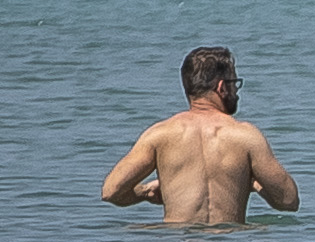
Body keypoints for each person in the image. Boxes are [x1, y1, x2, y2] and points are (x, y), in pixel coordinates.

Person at [101, 46, 300, 225]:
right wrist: (253, 183)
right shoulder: (246, 136)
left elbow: (111, 192)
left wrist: (146, 193)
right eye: (234, 83)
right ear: (222, 87)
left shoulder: (159, 135)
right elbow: (289, 201)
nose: (236, 92)